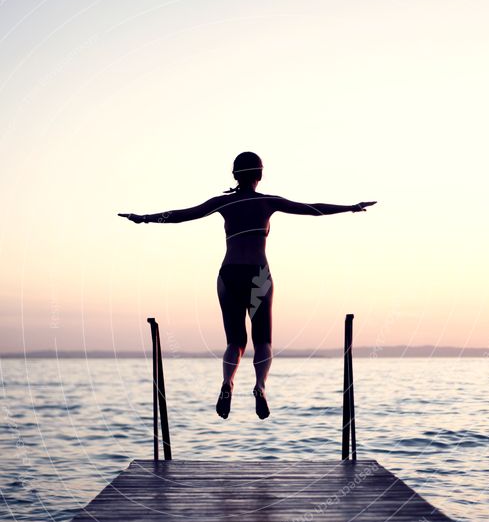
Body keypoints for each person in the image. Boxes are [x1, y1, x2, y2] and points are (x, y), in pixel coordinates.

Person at [119, 152, 376, 420]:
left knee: (235, 342)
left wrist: (145, 217)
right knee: (263, 340)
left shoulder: (223, 202)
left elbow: (182, 215)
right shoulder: (268, 202)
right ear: (260, 175)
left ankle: (228, 381)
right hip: (258, 274)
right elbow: (312, 208)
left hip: (228, 274)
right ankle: (260, 386)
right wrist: (351, 207)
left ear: (234, 176)